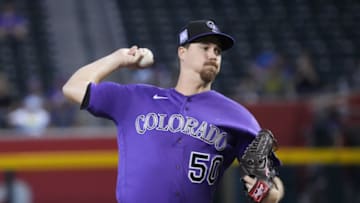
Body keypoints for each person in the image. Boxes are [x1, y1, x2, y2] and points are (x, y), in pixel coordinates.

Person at [62, 19, 284, 203]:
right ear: (182, 52)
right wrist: (119, 58)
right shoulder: (136, 99)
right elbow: (73, 88)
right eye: (205, 47)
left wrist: (271, 195)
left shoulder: (237, 116)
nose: (213, 55)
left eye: (217, 50)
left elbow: (269, 181)